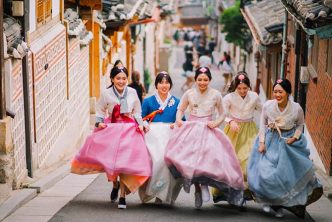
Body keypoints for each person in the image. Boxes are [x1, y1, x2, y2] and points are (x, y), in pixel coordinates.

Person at [71, 66, 151, 209]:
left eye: (124, 78)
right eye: (118, 78)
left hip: (129, 130)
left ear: (127, 79)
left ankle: (122, 196)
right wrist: (99, 123)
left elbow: (137, 112)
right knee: (111, 163)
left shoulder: (132, 92)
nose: (121, 81)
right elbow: (101, 110)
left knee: (123, 164)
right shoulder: (106, 93)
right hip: (112, 129)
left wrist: (140, 124)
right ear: (112, 79)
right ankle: (115, 184)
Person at [164, 66, 245, 209]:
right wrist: (178, 120)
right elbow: (180, 109)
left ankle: (204, 184)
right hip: (192, 128)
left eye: (205, 80)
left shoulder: (216, 94)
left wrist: (216, 123)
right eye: (199, 79)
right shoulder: (189, 93)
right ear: (195, 80)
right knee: (192, 161)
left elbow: (222, 113)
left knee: (207, 159)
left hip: (208, 128)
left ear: (210, 80)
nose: (202, 82)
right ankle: (197, 190)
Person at [247, 78, 323, 218]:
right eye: (275, 91)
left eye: (280, 92)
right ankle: (268, 202)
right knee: (266, 174)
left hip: (288, 144)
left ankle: (285, 204)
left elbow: (300, 125)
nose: (277, 94)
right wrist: (262, 142)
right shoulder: (268, 106)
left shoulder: (296, 108)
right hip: (270, 141)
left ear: (287, 92)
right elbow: (263, 124)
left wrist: (294, 137)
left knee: (285, 176)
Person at [212, 72, 262, 204]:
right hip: (233, 131)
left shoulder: (254, 97)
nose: (242, 91)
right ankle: (227, 193)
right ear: (235, 87)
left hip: (250, 130)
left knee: (248, 160)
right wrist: (230, 121)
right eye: (239, 88)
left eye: (245, 88)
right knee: (232, 162)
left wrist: (271, 120)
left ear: (249, 87)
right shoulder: (228, 98)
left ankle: (244, 193)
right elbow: (221, 114)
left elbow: (263, 111)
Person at [139, 71, 183, 205]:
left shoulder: (177, 102)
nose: (164, 85)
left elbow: (182, 120)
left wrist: (176, 124)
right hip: (152, 136)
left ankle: (162, 194)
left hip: (169, 136)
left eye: (167, 82)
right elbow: (141, 118)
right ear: (156, 85)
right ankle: (150, 191)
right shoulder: (148, 101)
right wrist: (145, 125)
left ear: (170, 84)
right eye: (161, 82)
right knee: (153, 162)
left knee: (166, 162)